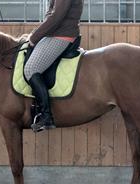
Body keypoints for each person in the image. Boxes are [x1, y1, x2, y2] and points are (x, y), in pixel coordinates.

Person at [24, 0, 84, 132]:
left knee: (31, 69)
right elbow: (51, 14)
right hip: (55, 33)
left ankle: (46, 116)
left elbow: (56, 16)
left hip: (62, 34)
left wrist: (34, 37)